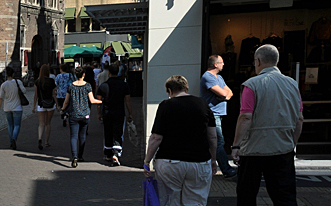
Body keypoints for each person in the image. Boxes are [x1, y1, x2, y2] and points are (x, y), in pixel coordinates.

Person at [231, 44, 303, 206]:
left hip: (253, 150)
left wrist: (236, 146)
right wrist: (292, 143)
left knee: (246, 195)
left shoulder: (251, 85)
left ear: (257, 61)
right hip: (282, 149)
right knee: (285, 197)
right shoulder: (292, 84)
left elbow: (245, 117)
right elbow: (299, 118)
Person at [143, 75, 218, 206]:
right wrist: (213, 158)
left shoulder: (166, 105)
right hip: (199, 162)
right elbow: (212, 136)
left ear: (169, 91)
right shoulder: (202, 104)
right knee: (196, 201)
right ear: (186, 88)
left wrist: (147, 161)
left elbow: (156, 137)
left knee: (170, 200)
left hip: (170, 161)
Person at [200, 55, 236, 179]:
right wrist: (224, 95)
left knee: (214, 141)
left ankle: (212, 166)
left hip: (218, 114)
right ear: (215, 64)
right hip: (212, 114)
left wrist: (224, 97)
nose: (223, 64)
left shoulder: (219, 77)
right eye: (221, 62)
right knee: (218, 141)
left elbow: (229, 93)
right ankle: (226, 169)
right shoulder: (207, 77)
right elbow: (223, 92)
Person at [61, 66, 102, 168]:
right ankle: (80, 155)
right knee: (82, 136)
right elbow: (92, 100)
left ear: (75, 75)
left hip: (73, 114)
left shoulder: (71, 86)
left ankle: (74, 156)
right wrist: (102, 101)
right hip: (85, 114)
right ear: (84, 75)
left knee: (73, 136)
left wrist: (62, 109)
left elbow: (66, 101)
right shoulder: (87, 86)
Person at [98, 62, 132, 166]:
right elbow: (127, 101)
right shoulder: (124, 85)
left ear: (109, 72)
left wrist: (99, 114)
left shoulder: (103, 86)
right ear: (118, 72)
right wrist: (130, 113)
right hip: (119, 112)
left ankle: (108, 154)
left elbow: (99, 102)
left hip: (107, 112)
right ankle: (116, 154)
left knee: (108, 132)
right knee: (118, 133)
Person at [0, 66, 26, 151]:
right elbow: (24, 91)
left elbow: (0, 97)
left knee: (10, 125)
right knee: (17, 125)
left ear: (6, 74)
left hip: (7, 107)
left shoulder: (4, 85)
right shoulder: (18, 82)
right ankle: (14, 138)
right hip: (17, 107)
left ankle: (10, 142)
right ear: (13, 74)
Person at [34, 64, 57, 151]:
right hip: (50, 103)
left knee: (41, 124)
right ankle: (46, 141)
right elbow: (53, 94)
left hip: (41, 104)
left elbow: (36, 95)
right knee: (48, 123)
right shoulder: (51, 81)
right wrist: (57, 104)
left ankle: (40, 138)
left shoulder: (37, 81)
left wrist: (33, 106)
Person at [55, 63, 73, 127]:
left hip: (60, 93)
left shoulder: (58, 76)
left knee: (61, 106)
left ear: (61, 69)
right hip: (68, 93)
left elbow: (56, 84)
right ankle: (66, 114)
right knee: (68, 105)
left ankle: (63, 115)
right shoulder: (70, 75)